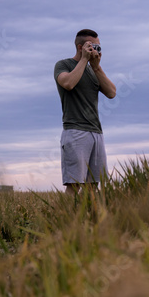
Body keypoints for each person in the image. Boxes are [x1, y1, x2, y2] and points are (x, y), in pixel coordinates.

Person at [54, 29, 117, 195]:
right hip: (75, 131)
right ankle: (63, 219)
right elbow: (68, 83)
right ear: (80, 47)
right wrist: (83, 60)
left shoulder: (92, 71)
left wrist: (96, 67)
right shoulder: (63, 65)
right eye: (92, 46)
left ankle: (87, 219)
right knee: (74, 184)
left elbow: (111, 92)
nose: (96, 50)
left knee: (93, 185)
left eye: (98, 47)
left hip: (96, 131)